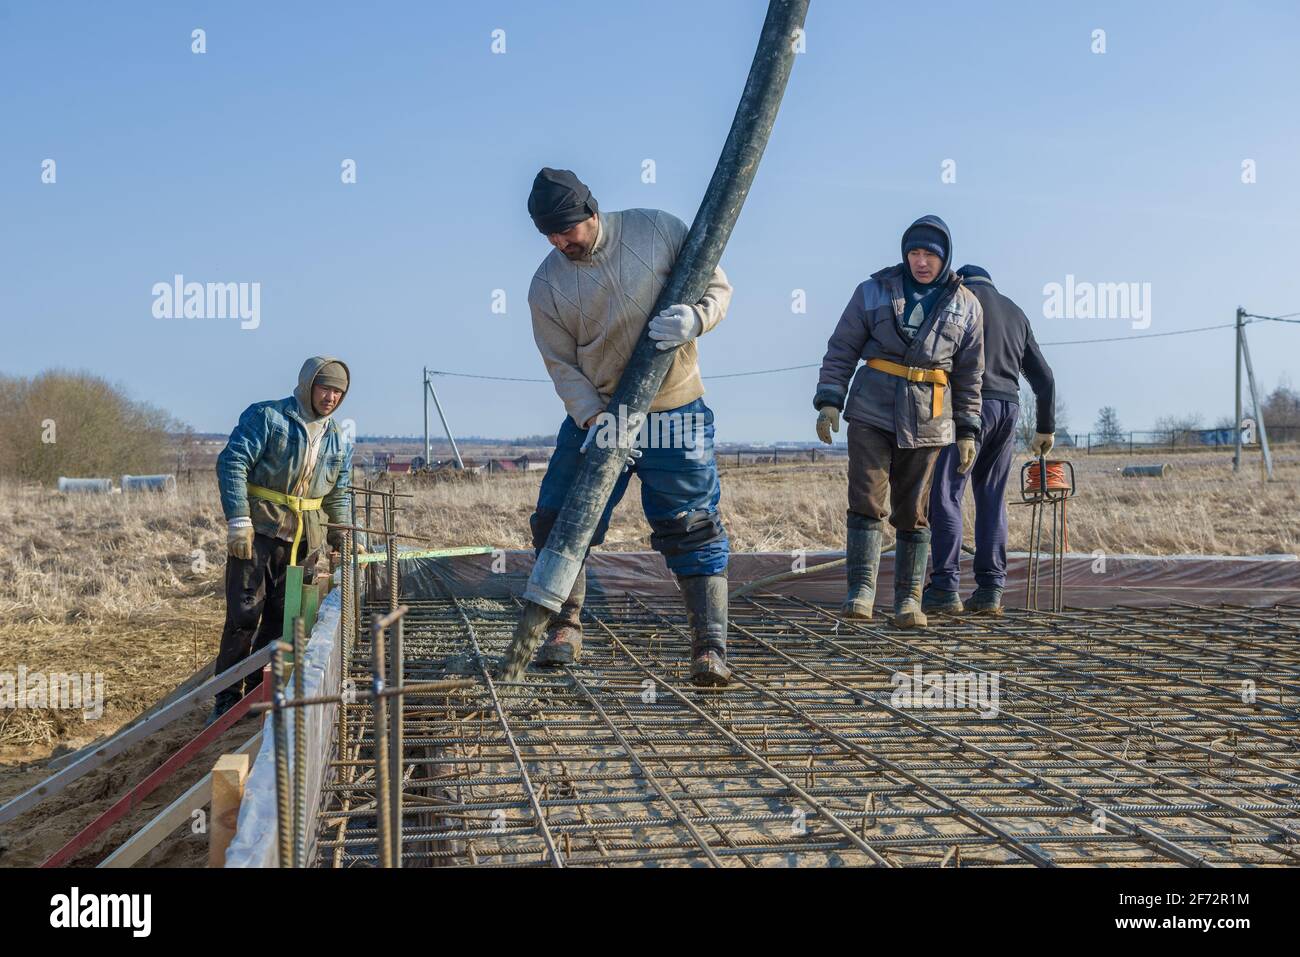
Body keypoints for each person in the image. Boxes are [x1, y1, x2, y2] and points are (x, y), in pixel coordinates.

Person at [526, 167, 733, 685]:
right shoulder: (546, 284)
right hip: (600, 414)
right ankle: (565, 627)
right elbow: (561, 364)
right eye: (549, 235)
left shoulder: (657, 229)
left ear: (591, 213)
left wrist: (698, 318)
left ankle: (709, 647)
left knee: (692, 523)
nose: (559, 242)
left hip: (674, 411)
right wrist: (594, 419)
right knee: (559, 517)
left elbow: (717, 286)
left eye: (566, 231)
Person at [814, 215, 983, 628]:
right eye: (914, 253)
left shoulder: (967, 305)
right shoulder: (872, 291)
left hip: (929, 417)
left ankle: (908, 600)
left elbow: (969, 373)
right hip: (872, 408)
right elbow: (842, 348)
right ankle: (861, 593)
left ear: (945, 258)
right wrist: (829, 400)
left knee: (914, 509)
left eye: (930, 254)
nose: (921, 262)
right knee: (867, 499)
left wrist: (967, 429)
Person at [209, 356, 353, 723]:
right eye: (325, 388)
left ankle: (259, 694)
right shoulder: (268, 418)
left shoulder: (337, 437)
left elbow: (339, 492)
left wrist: (343, 534)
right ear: (308, 386)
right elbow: (232, 462)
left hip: (306, 540)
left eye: (338, 391)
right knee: (244, 616)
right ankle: (226, 699)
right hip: (260, 533)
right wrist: (239, 521)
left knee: (281, 618)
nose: (331, 397)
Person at [923, 265, 1055, 616]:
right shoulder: (1015, 312)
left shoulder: (959, 301)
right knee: (992, 497)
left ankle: (944, 588)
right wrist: (1045, 428)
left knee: (947, 493)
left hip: (968, 406)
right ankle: (990, 590)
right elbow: (1044, 379)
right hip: (1008, 409)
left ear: (962, 281)